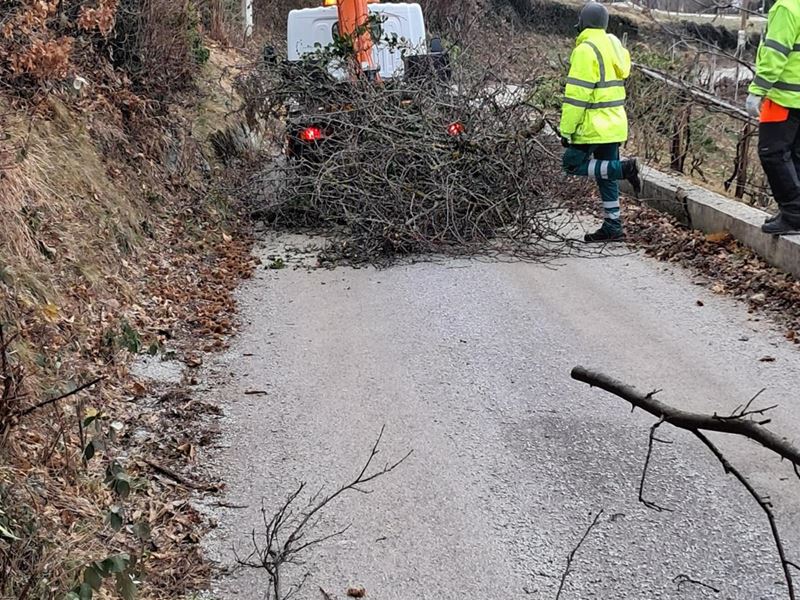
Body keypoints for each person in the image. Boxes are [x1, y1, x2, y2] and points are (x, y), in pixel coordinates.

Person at [560, 2, 641, 242]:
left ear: (583, 22)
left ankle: (625, 169)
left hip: (591, 126)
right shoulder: (614, 45)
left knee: (571, 165)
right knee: (605, 174)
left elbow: (577, 97)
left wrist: (567, 130)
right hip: (614, 124)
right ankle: (613, 226)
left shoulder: (586, 50)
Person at [746, 0, 800, 235]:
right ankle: (792, 212)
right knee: (795, 157)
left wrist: (757, 90)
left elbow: (775, 52)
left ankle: (794, 214)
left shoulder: (786, 8)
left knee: (773, 153)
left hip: (783, 97)